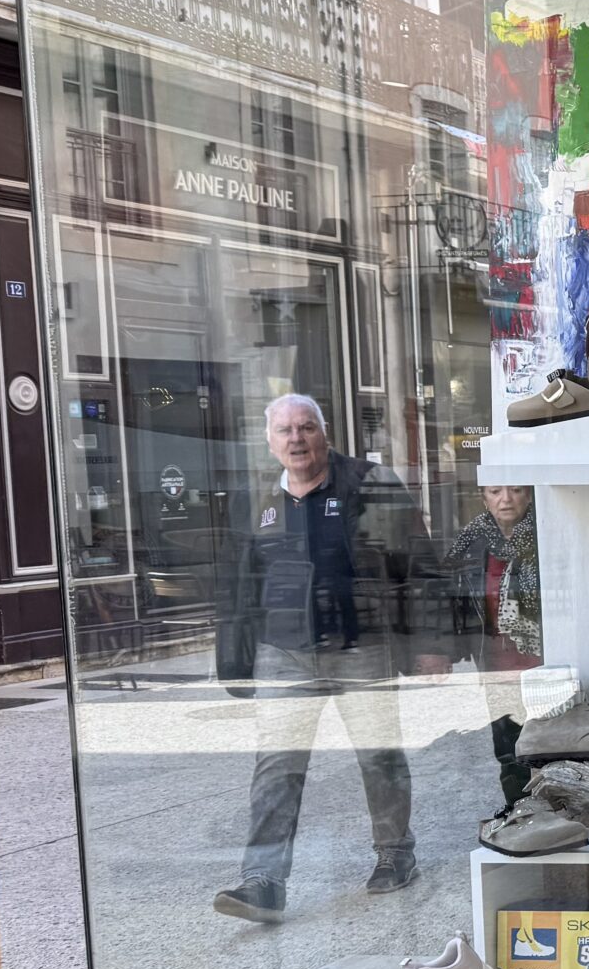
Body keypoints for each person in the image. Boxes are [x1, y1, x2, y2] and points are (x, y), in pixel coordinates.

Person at [212, 393, 448, 921]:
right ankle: (263, 881)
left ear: (325, 433)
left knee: (379, 755)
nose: (297, 439)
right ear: (270, 442)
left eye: (307, 427)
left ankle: (395, 853)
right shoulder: (254, 497)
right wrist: (235, 658)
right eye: (285, 431)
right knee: (276, 765)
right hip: (283, 651)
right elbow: (237, 583)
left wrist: (431, 642)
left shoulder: (370, 484)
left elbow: (417, 562)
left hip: (361, 644)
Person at [449, 483, 542, 803]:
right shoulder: (472, 542)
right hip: (496, 664)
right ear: (483, 498)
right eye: (494, 491)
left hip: (544, 662)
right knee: (507, 747)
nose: (505, 499)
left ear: (529, 495)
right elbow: (456, 600)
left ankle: (558, 811)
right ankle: (519, 810)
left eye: (515, 490)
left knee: (550, 743)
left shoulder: (546, 533)